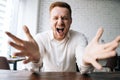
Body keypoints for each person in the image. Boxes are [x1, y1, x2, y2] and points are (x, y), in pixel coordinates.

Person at [5, 1, 120, 74]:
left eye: (64, 18)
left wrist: (85, 60)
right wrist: (35, 59)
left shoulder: (79, 38)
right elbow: (33, 70)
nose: (60, 22)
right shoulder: (40, 38)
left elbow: (85, 69)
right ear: (50, 21)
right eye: (55, 18)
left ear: (70, 21)